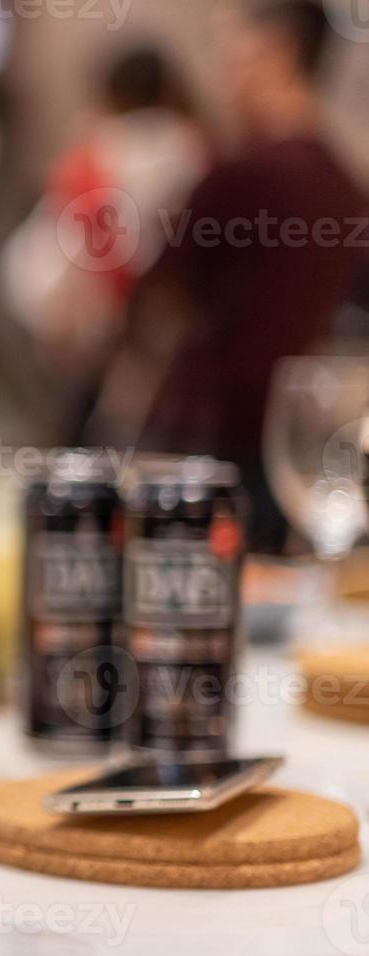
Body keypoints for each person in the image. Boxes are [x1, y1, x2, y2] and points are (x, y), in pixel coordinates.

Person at [90, 0, 368, 551]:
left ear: (275, 54)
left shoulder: (239, 177)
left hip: (205, 449)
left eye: (231, 54)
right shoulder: (348, 189)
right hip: (302, 454)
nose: (222, 75)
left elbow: (153, 301)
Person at [0, 46, 208, 443]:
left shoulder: (101, 148)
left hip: (101, 315)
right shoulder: (192, 146)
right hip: (138, 317)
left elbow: (85, 230)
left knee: (91, 427)